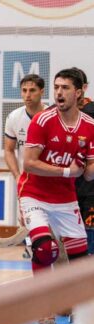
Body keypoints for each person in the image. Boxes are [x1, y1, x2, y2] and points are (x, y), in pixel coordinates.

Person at [19, 68, 94, 324]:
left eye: (65, 88)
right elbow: (28, 163)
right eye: (56, 87)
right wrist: (66, 172)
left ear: (79, 92)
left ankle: (83, 315)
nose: (59, 93)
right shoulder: (42, 121)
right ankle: (44, 310)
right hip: (34, 194)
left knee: (78, 261)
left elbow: (88, 168)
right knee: (45, 249)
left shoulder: (89, 126)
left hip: (65, 199)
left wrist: (88, 168)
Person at [4, 74, 47, 183]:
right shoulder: (13, 117)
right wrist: (17, 176)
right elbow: (9, 150)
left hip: (51, 179)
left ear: (42, 92)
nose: (27, 95)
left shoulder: (53, 116)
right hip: (26, 181)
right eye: (24, 90)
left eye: (32, 90)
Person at [72, 67, 94, 254]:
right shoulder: (54, 114)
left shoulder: (92, 111)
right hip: (64, 187)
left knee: (90, 235)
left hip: (90, 187)